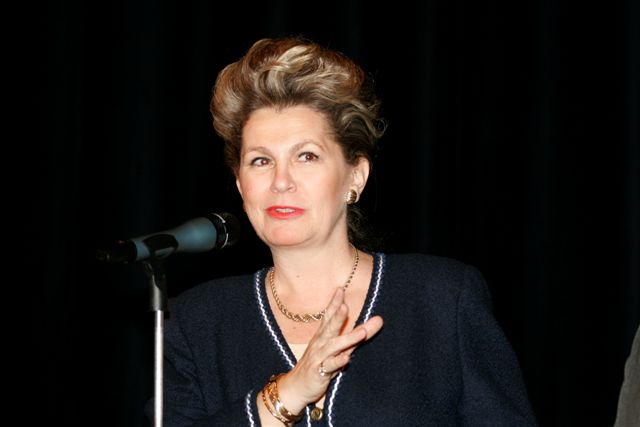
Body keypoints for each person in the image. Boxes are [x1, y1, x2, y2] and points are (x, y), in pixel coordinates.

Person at [147, 36, 539, 426]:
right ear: (240, 185)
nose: (281, 181)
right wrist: (287, 394)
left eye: (306, 156)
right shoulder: (197, 321)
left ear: (355, 176)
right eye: (261, 161)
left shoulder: (442, 298)